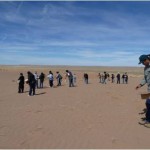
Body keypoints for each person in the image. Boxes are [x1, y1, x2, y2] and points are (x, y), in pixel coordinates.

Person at [136, 54, 150, 127]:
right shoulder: (146, 68)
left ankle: (148, 121)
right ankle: (148, 120)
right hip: (149, 89)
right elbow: (145, 78)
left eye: (142, 62)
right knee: (148, 104)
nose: (142, 64)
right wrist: (140, 85)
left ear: (146, 60)